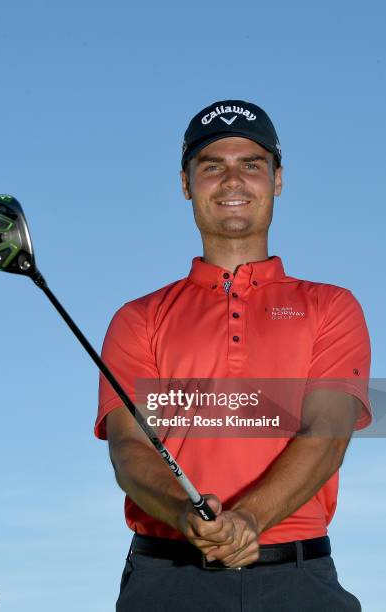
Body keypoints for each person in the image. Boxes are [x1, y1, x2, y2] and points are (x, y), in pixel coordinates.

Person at [95, 100, 371, 611]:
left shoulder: (332, 306)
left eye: (251, 164)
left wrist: (249, 520)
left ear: (278, 180)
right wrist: (184, 514)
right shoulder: (138, 318)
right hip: (168, 580)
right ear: (186, 184)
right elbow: (130, 450)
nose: (232, 181)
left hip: (298, 579)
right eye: (212, 166)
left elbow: (327, 433)